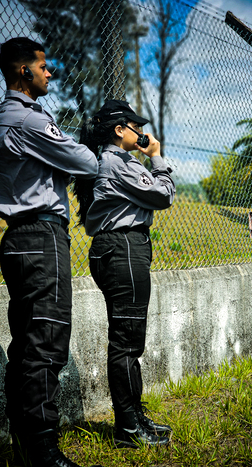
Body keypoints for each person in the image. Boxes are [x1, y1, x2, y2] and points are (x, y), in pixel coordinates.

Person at [0, 37, 102, 467]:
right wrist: (69, 156)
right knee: (46, 345)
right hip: (40, 237)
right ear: (23, 72)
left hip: (21, 238)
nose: (49, 72)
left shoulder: (9, 120)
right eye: (43, 66)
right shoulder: (27, 120)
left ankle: (26, 448)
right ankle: (43, 453)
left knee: (28, 346)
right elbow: (86, 162)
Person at [74, 100, 176, 448]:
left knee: (128, 339)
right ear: (120, 130)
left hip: (117, 250)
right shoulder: (117, 162)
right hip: (123, 249)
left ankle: (133, 416)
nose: (141, 133)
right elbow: (163, 195)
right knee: (127, 342)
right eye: (135, 126)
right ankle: (129, 429)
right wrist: (157, 157)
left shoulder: (112, 161)